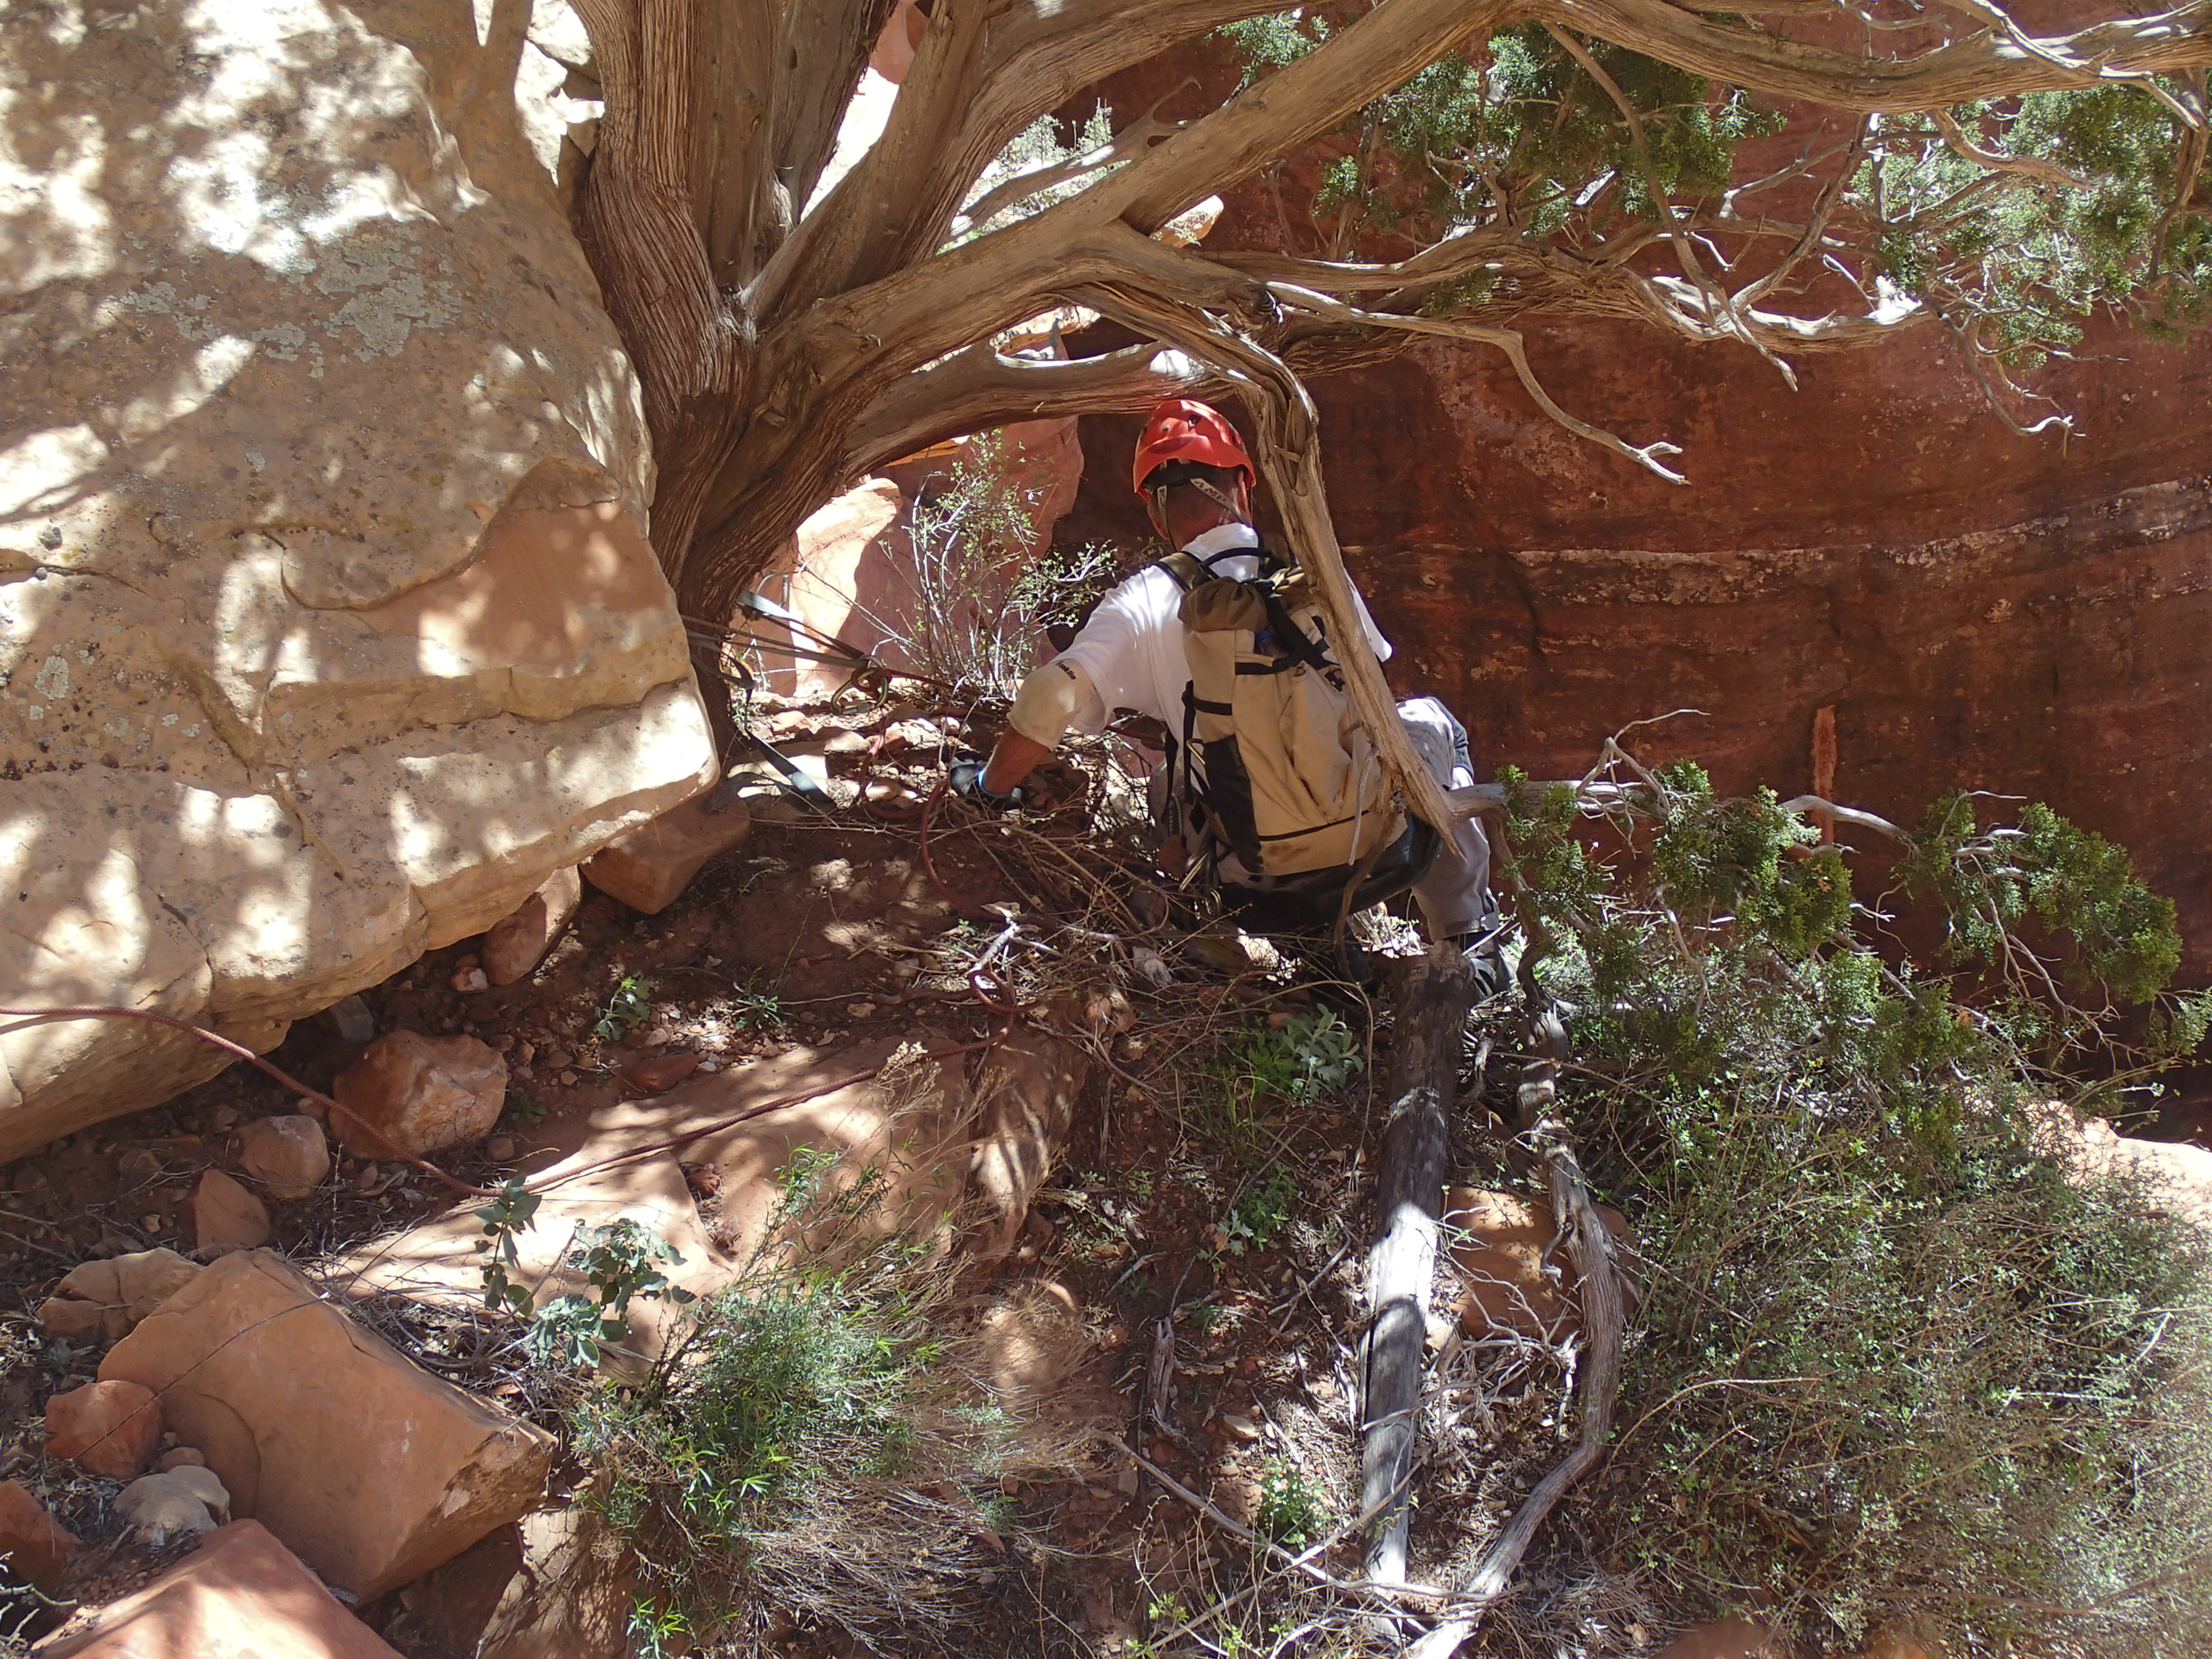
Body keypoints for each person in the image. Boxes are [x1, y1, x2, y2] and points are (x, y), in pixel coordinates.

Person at [952, 398, 1496, 957]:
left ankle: (1308, 947)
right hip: (1383, 848)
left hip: (1253, 880)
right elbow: (1370, 694)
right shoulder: (1315, 581)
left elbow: (1050, 695)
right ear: (1242, 484)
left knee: (1175, 775)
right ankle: (1467, 938)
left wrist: (989, 789)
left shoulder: (1141, 600)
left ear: (1156, 510)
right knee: (1432, 722)